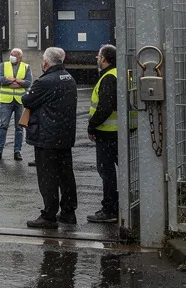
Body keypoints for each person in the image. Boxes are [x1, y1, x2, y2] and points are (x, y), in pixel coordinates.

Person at [21, 47, 78, 229]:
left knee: (47, 177)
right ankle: (68, 211)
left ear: (45, 63)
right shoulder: (69, 78)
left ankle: (49, 215)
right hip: (65, 134)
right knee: (66, 175)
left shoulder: (44, 82)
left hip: (47, 136)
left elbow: (27, 100)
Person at [86, 44, 134, 227]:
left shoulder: (108, 78)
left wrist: (92, 126)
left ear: (104, 59)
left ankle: (110, 209)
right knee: (122, 170)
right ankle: (122, 205)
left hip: (108, 133)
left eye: (99, 56)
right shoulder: (122, 73)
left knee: (107, 172)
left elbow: (105, 107)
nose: (98, 59)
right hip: (123, 130)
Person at [0, 48, 31, 161]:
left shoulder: (26, 67)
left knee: (19, 128)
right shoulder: (3, 65)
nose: (12, 57)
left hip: (20, 101)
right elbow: (0, 79)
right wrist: (16, 81)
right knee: (3, 125)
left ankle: (17, 151)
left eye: (14, 55)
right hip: (6, 100)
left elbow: (28, 82)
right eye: (11, 54)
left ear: (20, 57)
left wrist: (15, 81)